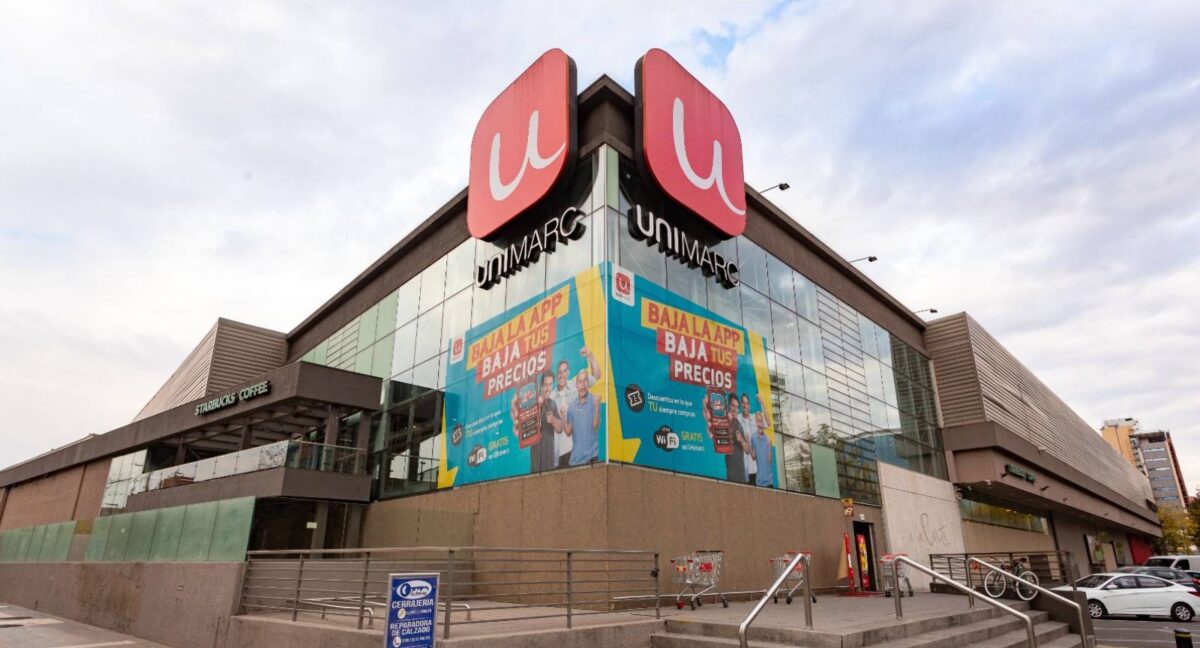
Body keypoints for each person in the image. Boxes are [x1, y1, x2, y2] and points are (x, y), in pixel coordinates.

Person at [554, 347, 600, 469]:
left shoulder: (576, 384)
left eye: (564, 371)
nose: (562, 375)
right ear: (556, 375)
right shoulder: (552, 396)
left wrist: (590, 355)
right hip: (562, 452)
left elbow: (596, 375)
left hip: (581, 451)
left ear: (568, 372)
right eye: (559, 372)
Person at [511, 372, 560, 473]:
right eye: (546, 385)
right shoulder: (531, 404)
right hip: (536, 463)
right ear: (541, 386)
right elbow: (523, 430)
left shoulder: (553, 404)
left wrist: (553, 420)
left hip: (549, 462)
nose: (548, 388)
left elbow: (560, 429)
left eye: (551, 384)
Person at [565, 370, 600, 465]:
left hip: (591, 457)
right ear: (576, 385)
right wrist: (563, 417)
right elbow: (568, 432)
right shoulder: (571, 406)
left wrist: (597, 407)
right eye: (580, 381)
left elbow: (595, 426)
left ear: (588, 383)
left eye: (585, 380)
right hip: (575, 460)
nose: (583, 384)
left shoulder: (594, 401)